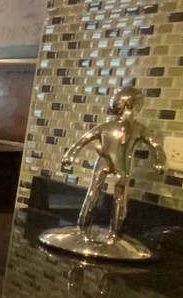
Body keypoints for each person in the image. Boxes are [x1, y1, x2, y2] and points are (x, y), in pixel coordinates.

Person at [59, 86, 166, 240]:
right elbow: (82, 141)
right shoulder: (111, 127)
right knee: (97, 193)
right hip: (109, 162)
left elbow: (155, 145)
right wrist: (70, 155)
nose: (129, 110)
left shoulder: (135, 129)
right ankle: (85, 228)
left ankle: (112, 233)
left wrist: (159, 161)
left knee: (116, 196)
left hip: (121, 165)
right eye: (129, 105)